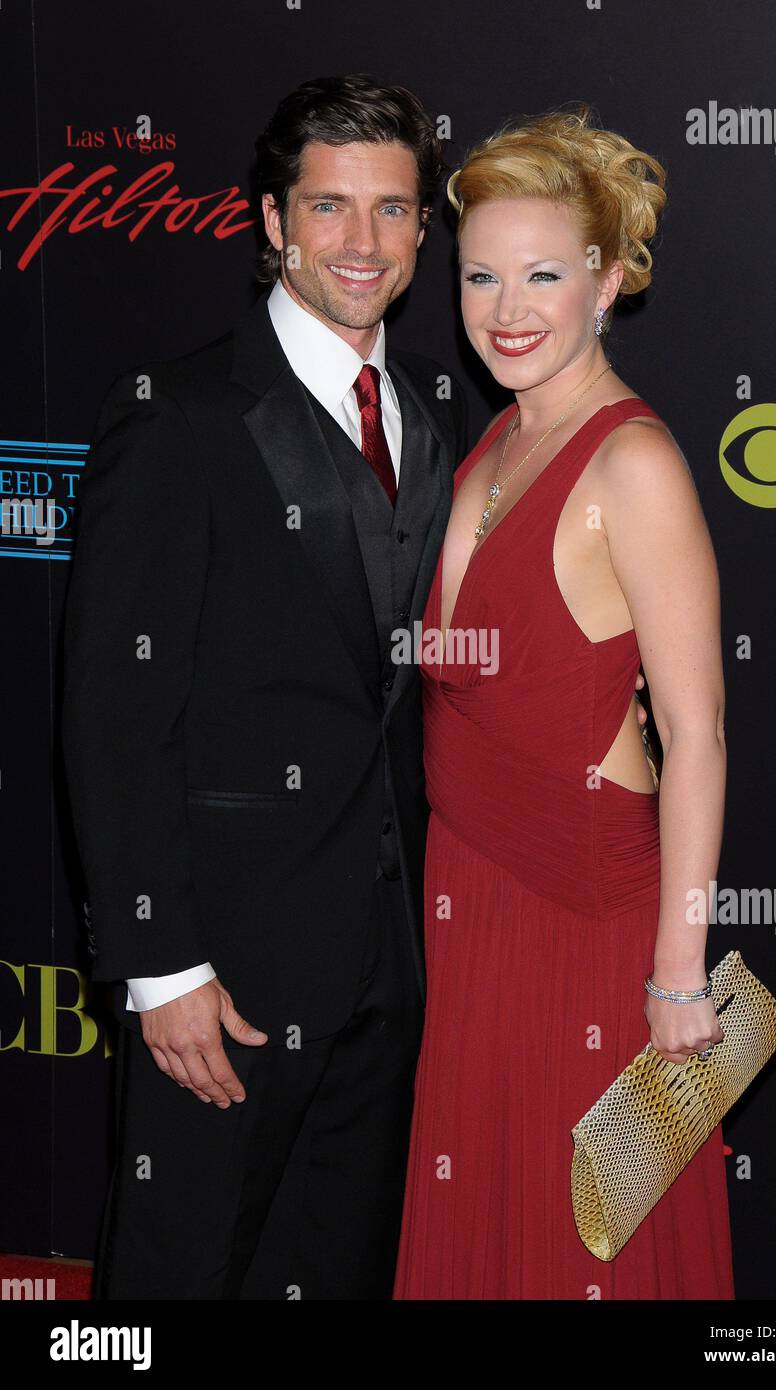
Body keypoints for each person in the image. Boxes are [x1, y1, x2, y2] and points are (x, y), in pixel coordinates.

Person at [61, 74, 470, 1300]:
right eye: (330, 207)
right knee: (178, 1277)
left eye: (392, 211)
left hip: (379, 978)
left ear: (419, 233)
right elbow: (108, 711)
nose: (362, 242)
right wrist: (162, 966)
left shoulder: (428, 414)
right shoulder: (177, 417)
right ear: (272, 222)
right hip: (223, 980)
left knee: (331, 1273)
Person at [393, 106, 735, 1300]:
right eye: (481, 275)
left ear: (606, 278)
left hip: (591, 928)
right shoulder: (489, 448)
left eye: (542, 272)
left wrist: (678, 969)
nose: (507, 307)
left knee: (579, 1251)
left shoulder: (629, 462)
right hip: (471, 904)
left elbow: (694, 733)